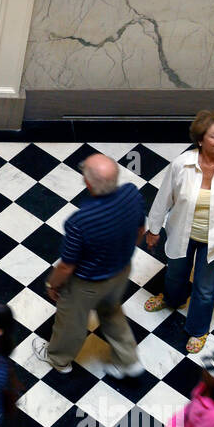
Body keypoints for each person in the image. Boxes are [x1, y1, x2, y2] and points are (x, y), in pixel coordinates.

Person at [144, 111, 214, 354]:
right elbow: (164, 198)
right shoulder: (182, 165)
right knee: (175, 274)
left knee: (205, 289)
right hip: (182, 234)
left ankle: (197, 329)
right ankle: (173, 299)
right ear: (200, 140)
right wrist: (154, 229)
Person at [34, 154, 146, 376]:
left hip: (87, 284)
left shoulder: (80, 221)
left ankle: (59, 358)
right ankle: (128, 360)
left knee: (71, 322)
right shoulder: (132, 194)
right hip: (122, 271)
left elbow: (67, 266)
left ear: (87, 183)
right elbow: (139, 231)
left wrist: (51, 284)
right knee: (111, 310)